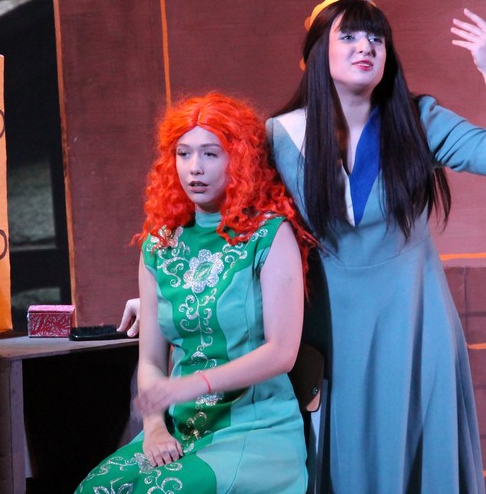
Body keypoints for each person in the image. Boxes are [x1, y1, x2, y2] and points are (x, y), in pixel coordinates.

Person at [265, 0, 486, 492]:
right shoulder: (280, 137)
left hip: (416, 323)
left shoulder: (417, 119)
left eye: (377, 38)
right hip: (330, 331)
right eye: (348, 36)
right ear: (318, 50)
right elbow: (237, 231)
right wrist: (157, 291)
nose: (365, 46)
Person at [76, 92, 314, 494]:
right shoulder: (159, 244)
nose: (194, 168)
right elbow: (151, 361)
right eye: (183, 154)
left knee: (161, 490)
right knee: (95, 488)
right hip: (179, 428)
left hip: (255, 429)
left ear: (239, 159)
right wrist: (154, 428)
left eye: (210, 154)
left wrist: (192, 384)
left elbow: (282, 352)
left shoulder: (269, 235)